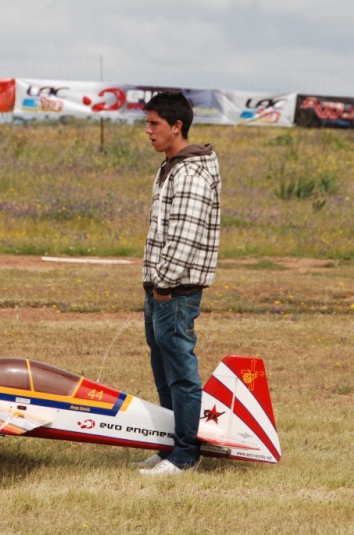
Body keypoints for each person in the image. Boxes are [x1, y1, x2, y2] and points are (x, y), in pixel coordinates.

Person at [137, 91, 222, 476]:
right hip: (160, 287)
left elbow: (185, 238)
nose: (148, 131)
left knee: (181, 373)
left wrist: (165, 284)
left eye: (155, 124)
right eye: (147, 123)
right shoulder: (169, 167)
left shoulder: (189, 174)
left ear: (177, 126)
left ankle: (186, 453)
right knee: (163, 368)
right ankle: (172, 446)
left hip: (174, 291)